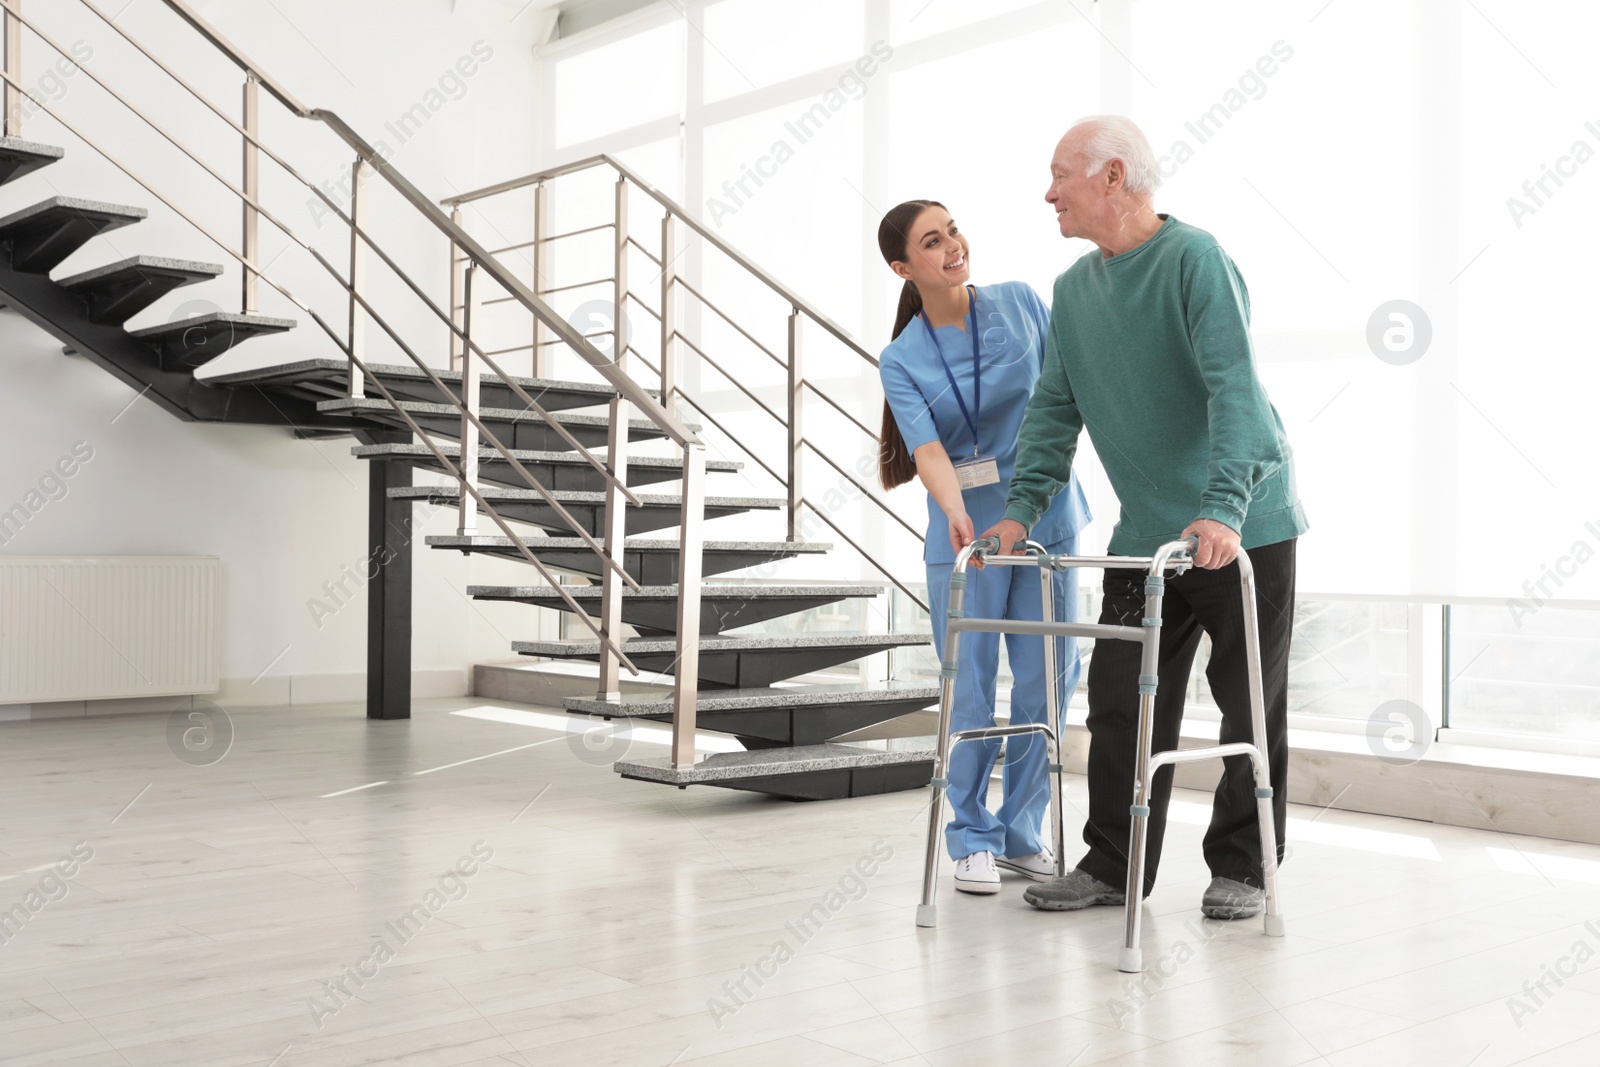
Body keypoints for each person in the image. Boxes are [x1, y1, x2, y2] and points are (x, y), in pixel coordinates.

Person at [980, 116, 1308, 920]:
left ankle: (1246, 865)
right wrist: (1021, 511)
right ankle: (1112, 864)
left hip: (1242, 526)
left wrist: (1222, 509)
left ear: (1113, 176)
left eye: (1061, 174)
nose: (1048, 190)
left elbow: (1235, 388)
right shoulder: (1074, 289)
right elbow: (1055, 410)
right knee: (1122, 699)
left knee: (1246, 704)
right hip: (1147, 539)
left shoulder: (1194, 260)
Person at [877, 199, 1091, 896]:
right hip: (964, 534)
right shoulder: (902, 357)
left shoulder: (1022, 304)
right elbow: (930, 450)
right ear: (904, 267)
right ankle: (968, 833)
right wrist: (952, 511)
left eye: (954, 230)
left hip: (1046, 520)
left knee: (1048, 680)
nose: (952, 246)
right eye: (932, 242)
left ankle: (1022, 831)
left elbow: (1069, 392)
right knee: (968, 685)